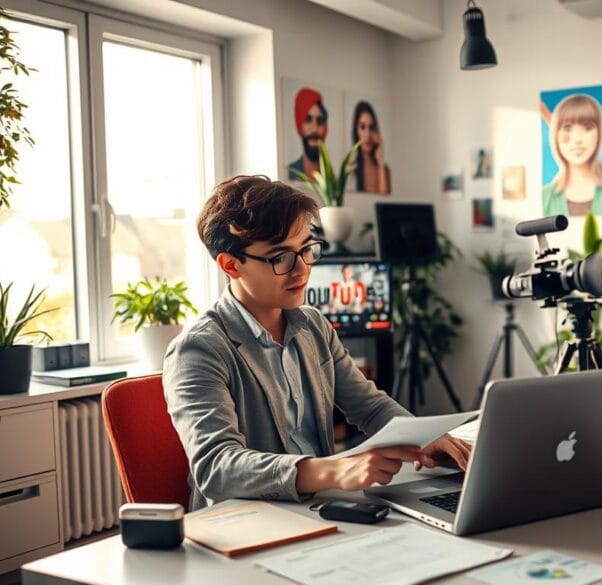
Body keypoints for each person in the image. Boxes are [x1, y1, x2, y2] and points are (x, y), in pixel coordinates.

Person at [163, 175, 469, 511]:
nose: (302, 269)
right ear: (231, 264)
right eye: (281, 257)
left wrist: (425, 439)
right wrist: (333, 471)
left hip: (320, 507)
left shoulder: (313, 326)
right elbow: (217, 468)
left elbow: (369, 407)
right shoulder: (198, 349)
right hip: (247, 520)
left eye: (306, 249)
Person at [543, 94, 602, 216]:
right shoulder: (544, 197)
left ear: (600, 134)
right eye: (567, 128)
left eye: (587, 128)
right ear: (555, 136)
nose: (577, 139)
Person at [287, 88, 328, 181]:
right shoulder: (291, 172)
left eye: (320, 121)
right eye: (308, 120)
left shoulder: (333, 177)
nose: (314, 129)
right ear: (300, 126)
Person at [352, 101, 391, 194]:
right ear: (356, 131)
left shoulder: (384, 169)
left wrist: (380, 160)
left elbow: (385, 199)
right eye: (362, 127)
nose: (368, 134)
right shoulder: (351, 168)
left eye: (371, 128)